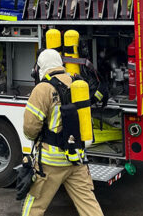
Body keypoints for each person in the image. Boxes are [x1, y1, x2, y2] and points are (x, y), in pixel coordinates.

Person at [21, 49, 103, 216]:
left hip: (51, 163)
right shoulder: (76, 82)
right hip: (77, 158)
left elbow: (30, 128)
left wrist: (33, 138)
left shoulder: (43, 89)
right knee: (88, 205)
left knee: (34, 205)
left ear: (40, 68)